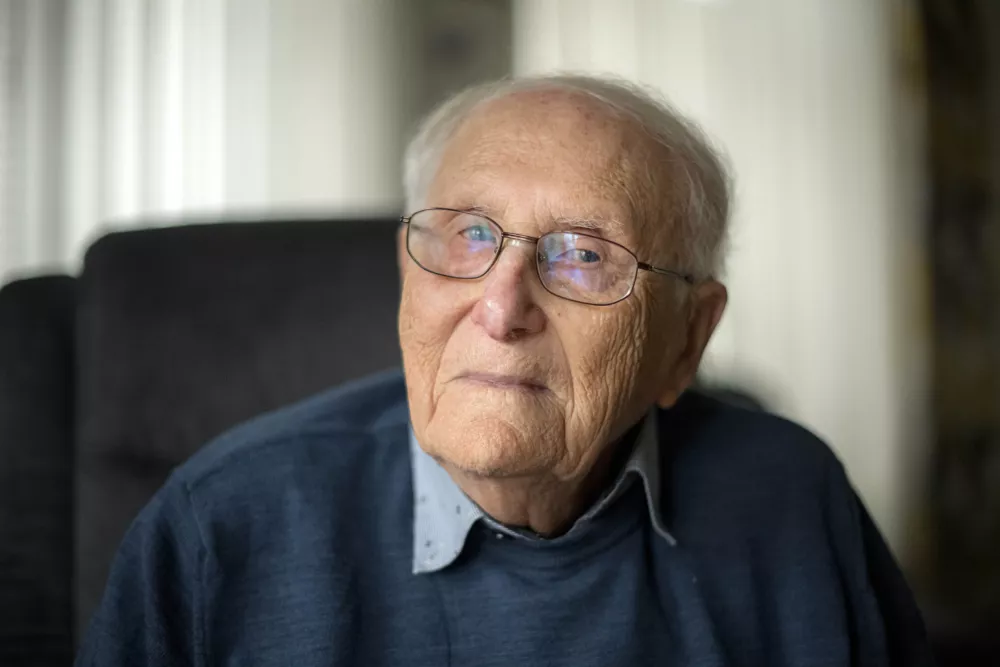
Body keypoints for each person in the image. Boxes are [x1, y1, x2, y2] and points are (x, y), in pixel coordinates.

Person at [76, 75, 934, 666]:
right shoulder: (220, 521)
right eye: (470, 235)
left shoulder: (793, 499)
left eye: (584, 254)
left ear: (688, 340)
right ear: (409, 274)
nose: (501, 305)